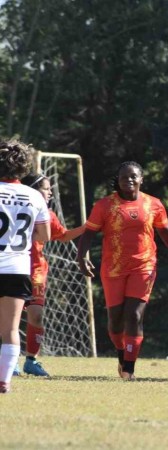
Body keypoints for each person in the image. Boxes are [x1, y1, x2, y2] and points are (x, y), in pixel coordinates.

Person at [77, 161, 168, 381]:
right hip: (113, 268)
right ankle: (122, 354)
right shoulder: (104, 205)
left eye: (133, 176)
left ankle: (129, 369)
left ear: (141, 179)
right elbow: (89, 233)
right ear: (118, 180)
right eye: (124, 177)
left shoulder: (153, 204)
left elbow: (164, 230)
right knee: (116, 321)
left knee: (134, 315)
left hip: (144, 266)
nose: (128, 180)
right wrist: (81, 258)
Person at [19, 173, 85, 376]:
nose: (50, 193)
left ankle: (31, 361)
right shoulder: (13, 207)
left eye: (50, 189)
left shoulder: (48, 214)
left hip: (36, 270)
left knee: (36, 315)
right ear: (32, 190)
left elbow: (63, 235)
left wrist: (88, 227)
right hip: (12, 267)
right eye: (46, 189)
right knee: (9, 316)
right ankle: (8, 360)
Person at [0, 140, 51, 393]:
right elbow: (44, 236)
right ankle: (4, 381)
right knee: (10, 329)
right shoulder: (34, 196)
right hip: (17, 268)